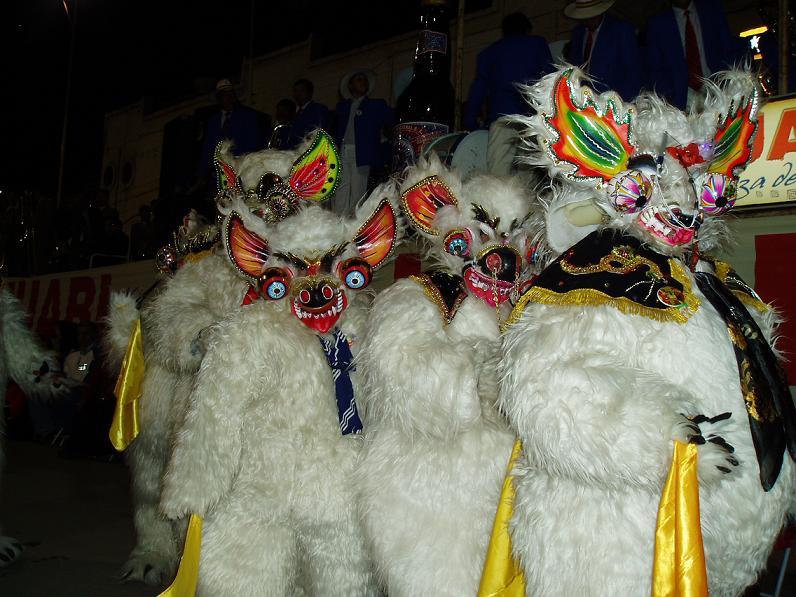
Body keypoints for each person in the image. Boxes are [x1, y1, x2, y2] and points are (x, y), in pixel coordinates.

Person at [464, 12, 553, 175]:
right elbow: (550, 79)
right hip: (531, 120)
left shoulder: (489, 53)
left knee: (498, 173)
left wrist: (470, 120)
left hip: (501, 118)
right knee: (528, 176)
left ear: (504, 30)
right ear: (527, 29)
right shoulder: (538, 44)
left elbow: (479, 87)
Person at [644, 0, 742, 109]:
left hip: (718, 88)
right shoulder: (657, 24)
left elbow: (729, 50)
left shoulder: (712, 10)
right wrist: (673, 96)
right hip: (682, 99)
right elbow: (654, 70)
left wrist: (725, 83)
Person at [333, 69, 394, 215]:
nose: (363, 82)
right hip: (341, 150)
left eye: (364, 79)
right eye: (359, 79)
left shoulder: (376, 105)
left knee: (357, 190)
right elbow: (335, 128)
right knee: (340, 187)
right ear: (351, 86)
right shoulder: (342, 106)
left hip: (362, 152)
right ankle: (337, 222)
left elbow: (392, 121)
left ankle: (354, 226)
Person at [565, 0, 642, 102]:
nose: (586, 20)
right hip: (584, 101)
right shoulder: (578, 32)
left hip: (614, 100)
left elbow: (633, 73)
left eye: (589, 15)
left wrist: (617, 103)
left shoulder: (621, 30)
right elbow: (574, 68)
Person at [197, 79, 268, 178]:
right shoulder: (213, 121)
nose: (229, 98)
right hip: (217, 173)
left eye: (231, 94)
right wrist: (203, 173)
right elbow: (208, 147)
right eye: (224, 95)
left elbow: (254, 143)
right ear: (219, 99)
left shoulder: (248, 116)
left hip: (243, 169)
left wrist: (237, 163)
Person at [287, 78, 330, 148]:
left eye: (301, 91)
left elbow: (317, 133)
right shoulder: (295, 111)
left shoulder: (318, 109)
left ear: (310, 92)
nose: (298, 94)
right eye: (295, 91)